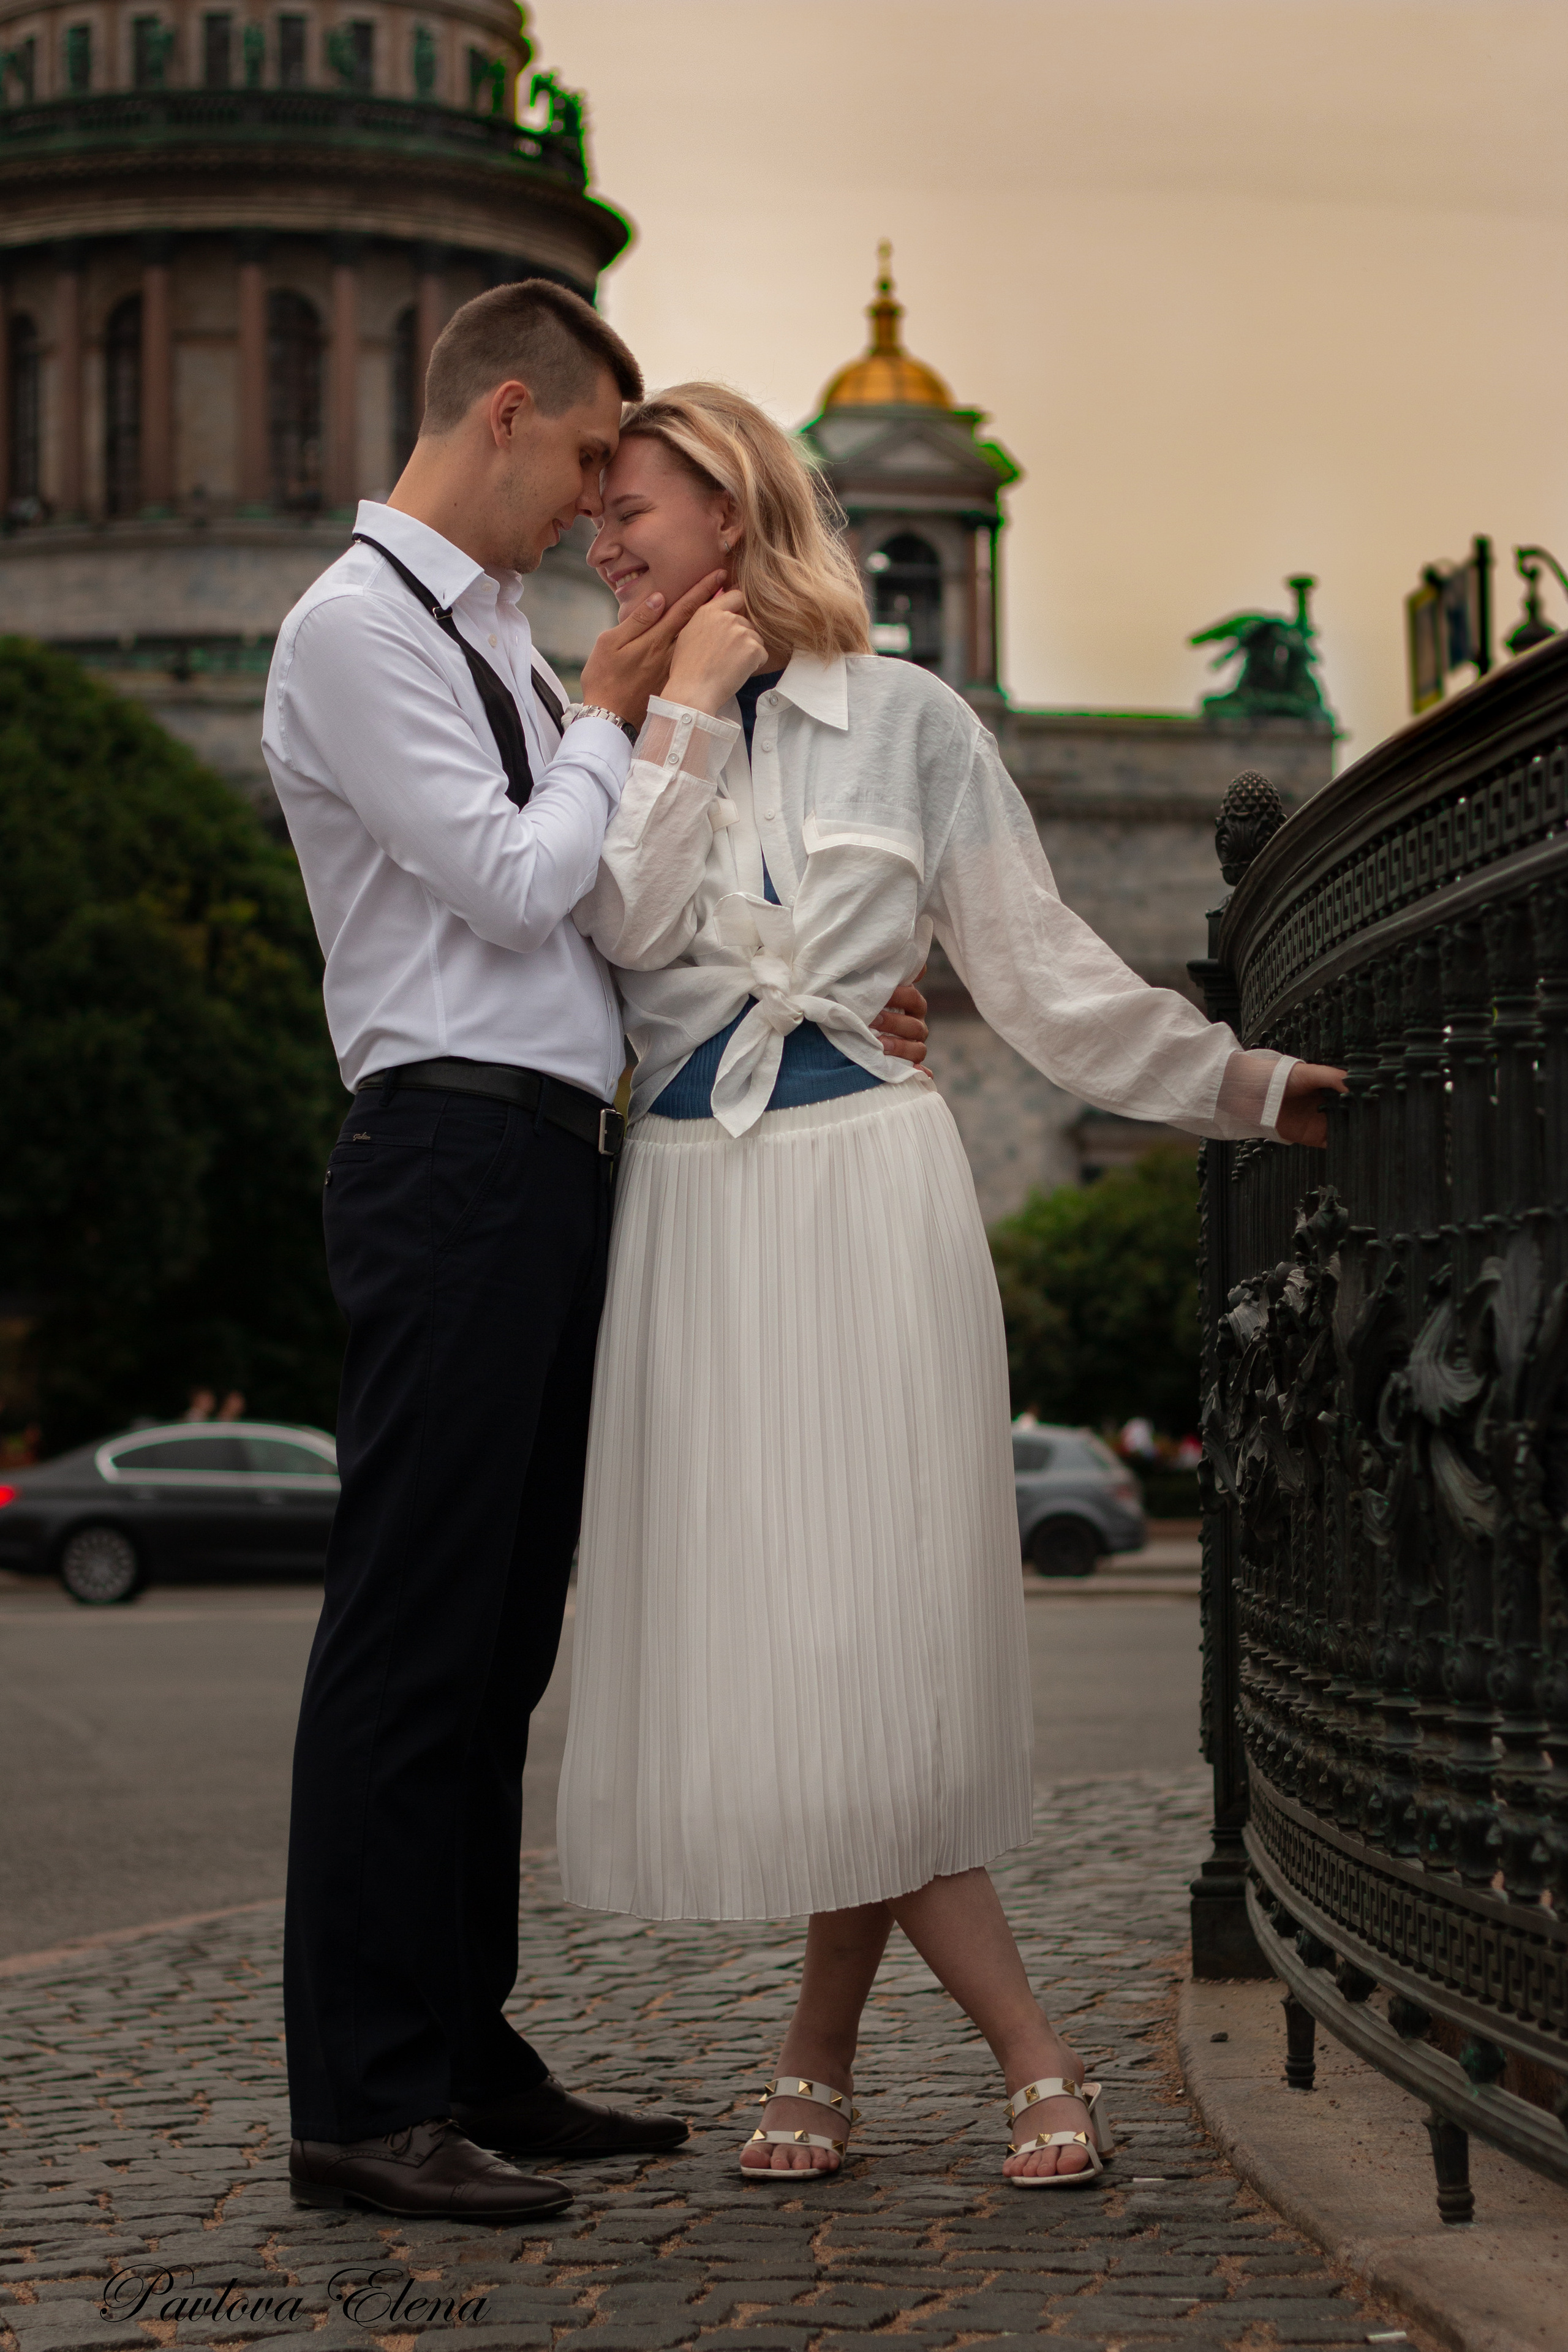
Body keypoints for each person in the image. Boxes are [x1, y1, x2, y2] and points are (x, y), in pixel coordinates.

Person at [556, 383, 1346, 2187]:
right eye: (594, 519)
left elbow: (1047, 978)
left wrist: (1251, 1088)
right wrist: (668, 715)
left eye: (635, 514)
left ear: (738, 511)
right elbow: (605, 929)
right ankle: (864, 2047)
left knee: (876, 1646)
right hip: (697, 1210)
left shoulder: (913, 721)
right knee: (811, 1655)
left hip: (873, 1198)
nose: (601, 545)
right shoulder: (599, 716)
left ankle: (955, 2055)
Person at [262, 287, 927, 2225]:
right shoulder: (354, 632)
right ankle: (364, 2098)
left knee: (494, 1644)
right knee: (407, 1639)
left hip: (555, 1152)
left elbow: (626, 921)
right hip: (450, 1146)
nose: (585, 513)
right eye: (579, 464)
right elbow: (525, 876)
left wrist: (821, 1007)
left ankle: (465, 2056)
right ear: (506, 408)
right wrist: (633, 714)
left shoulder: (492, 641)